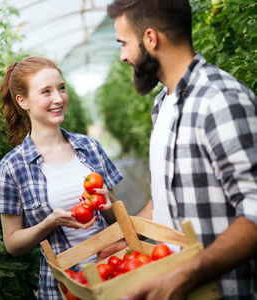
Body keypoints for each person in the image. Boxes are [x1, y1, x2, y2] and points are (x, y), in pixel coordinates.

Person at [105, 0, 257, 299]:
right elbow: (167, 199)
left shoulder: (219, 100)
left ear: (151, 38)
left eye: (124, 43)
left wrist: (184, 276)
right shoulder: (163, 106)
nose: (123, 56)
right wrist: (128, 238)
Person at [0, 57, 123, 299]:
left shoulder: (90, 147)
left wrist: (108, 204)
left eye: (61, 88)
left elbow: (118, 221)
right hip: (65, 285)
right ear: (23, 102)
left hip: (114, 269)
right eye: (46, 91)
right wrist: (49, 222)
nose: (58, 98)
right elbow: (12, 244)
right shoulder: (11, 168)